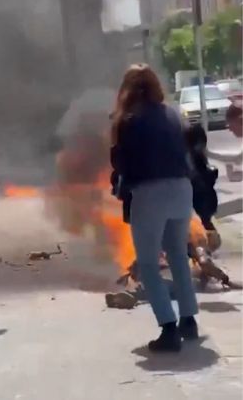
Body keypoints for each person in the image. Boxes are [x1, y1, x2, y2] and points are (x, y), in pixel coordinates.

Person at [110, 64, 198, 352]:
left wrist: (122, 189)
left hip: (150, 193)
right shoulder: (172, 113)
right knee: (177, 256)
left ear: (126, 90)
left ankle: (168, 329)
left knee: (148, 264)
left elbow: (121, 164)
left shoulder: (127, 120)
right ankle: (188, 321)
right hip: (182, 190)